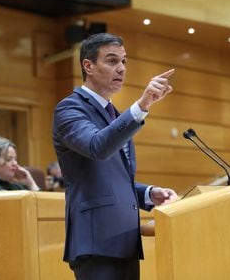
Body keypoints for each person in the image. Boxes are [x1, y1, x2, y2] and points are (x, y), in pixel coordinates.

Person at [53, 33, 178, 280]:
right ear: (88, 66)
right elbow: (97, 147)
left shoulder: (116, 115)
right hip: (96, 242)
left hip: (125, 243)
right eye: (112, 61)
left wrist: (147, 193)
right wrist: (141, 106)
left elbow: (113, 177)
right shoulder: (69, 108)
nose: (121, 68)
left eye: (124, 61)